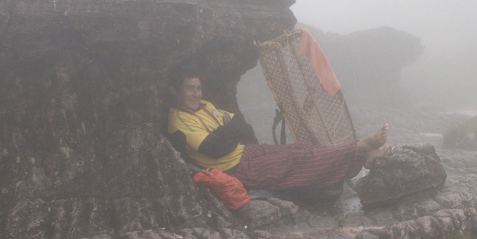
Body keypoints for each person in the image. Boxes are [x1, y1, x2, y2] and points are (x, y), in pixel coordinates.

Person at [166, 68, 390, 192]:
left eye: (198, 88)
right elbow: (213, 149)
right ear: (175, 91)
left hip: (247, 152)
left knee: (301, 149)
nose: (196, 94)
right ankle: (360, 148)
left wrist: (227, 132)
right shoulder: (178, 121)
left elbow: (240, 123)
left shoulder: (206, 106)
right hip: (235, 168)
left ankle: (364, 157)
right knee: (298, 161)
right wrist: (228, 130)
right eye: (189, 89)